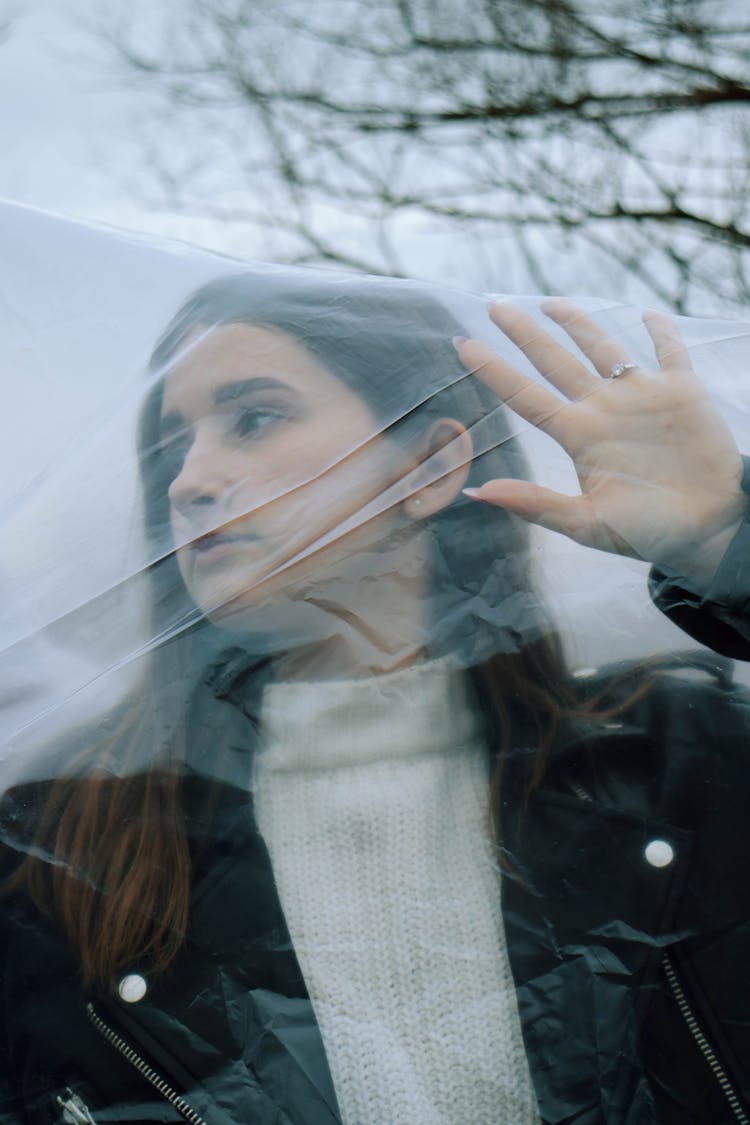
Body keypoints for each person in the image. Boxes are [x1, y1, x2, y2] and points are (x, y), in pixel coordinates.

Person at [0, 271, 748, 1125]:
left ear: (429, 465)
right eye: (172, 449)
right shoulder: (56, 864)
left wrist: (728, 543)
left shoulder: (677, 763)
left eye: (253, 417)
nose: (189, 481)